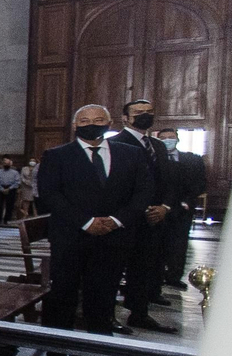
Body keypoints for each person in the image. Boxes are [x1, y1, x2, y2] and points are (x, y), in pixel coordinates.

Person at [37, 104, 152, 336]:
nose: (92, 125)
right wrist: (86, 222)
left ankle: (99, 344)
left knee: (104, 293)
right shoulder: (56, 155)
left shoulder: (131, 154)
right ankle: (56, 344)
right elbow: (50, 194)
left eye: (99, 120)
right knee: (63, 292)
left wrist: (116, 220)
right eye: (84, 121)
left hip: (114, 236)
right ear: (74, 126)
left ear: (109, 124)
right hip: (71, 235)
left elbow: (143, 193)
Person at [111, 99, 178, 333]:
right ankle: (107, 315)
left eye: (149, 112)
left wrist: (165, 207)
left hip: (154, 218)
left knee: (144, 268)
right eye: (138, 112)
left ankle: (139, 313)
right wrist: (137, 209)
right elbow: (115, 186)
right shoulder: (114, 143)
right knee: (115, 268)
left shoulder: (158, 145)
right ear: (125, 118)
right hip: (126, 218)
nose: (144, 116)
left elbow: (169, 181)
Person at [157, 128, 205, 289]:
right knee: (157, 245)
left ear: (177, 139)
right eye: (163, 138)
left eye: (170, 137)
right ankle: (156, 277)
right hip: (159, 209)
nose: (167, 140)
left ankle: (174, 276)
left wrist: (186, 201)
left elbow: (200, 184)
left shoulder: (193, 160)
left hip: (183, 209)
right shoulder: (153, 159)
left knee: (179, 244)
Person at [0, 157, 21, 224]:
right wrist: (1, 188)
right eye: (5, 163)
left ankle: (7, 220)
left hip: (11, 189)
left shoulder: (15, 172)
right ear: (2, 164)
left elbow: (17, 182)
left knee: (10, 205)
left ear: (10, 164)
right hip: (0, 189)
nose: (6, 164)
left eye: (8, 163)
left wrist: (9, 188)